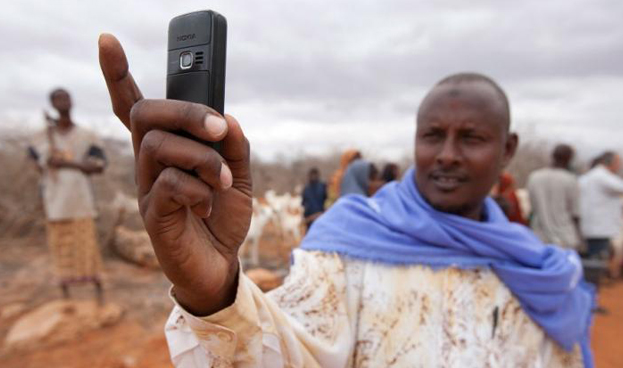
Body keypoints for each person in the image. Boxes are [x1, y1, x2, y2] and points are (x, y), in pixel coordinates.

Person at [99, 34, 593, 367]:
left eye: (472, 138)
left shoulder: (541, 269)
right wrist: (215, 297)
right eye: (432, 136)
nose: (447, 155)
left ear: (508, 150)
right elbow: (289, 349)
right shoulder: (347, 245)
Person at [27, 88, 107, 302]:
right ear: (52, 103)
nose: (63, 101)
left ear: (71, 101)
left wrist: (68, 163)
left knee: (87, 246)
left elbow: (99, 166)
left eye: (66, 97)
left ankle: (97, 291)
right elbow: (36, 163)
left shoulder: (86, 136)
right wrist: (49, 162)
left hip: (80, 200)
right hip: (55, 200)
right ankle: (66, 296)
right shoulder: (41, 138)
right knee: (61, 247)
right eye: (58, 98)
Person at [527, 144, 582, 250]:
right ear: (570, 159)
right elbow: (575, 213)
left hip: (538, 236)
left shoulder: (534, 176)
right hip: (565, 238)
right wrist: (580, 236)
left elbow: (532, 208)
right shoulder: (570, 179)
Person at [579, 152, 623, 261]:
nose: (619, 166)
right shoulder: (601, 176)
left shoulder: (589, 176)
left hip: (594, 226)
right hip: (599, 228)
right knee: (598, 261)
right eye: (618, 162)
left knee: (596, 259)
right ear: (611, 163)